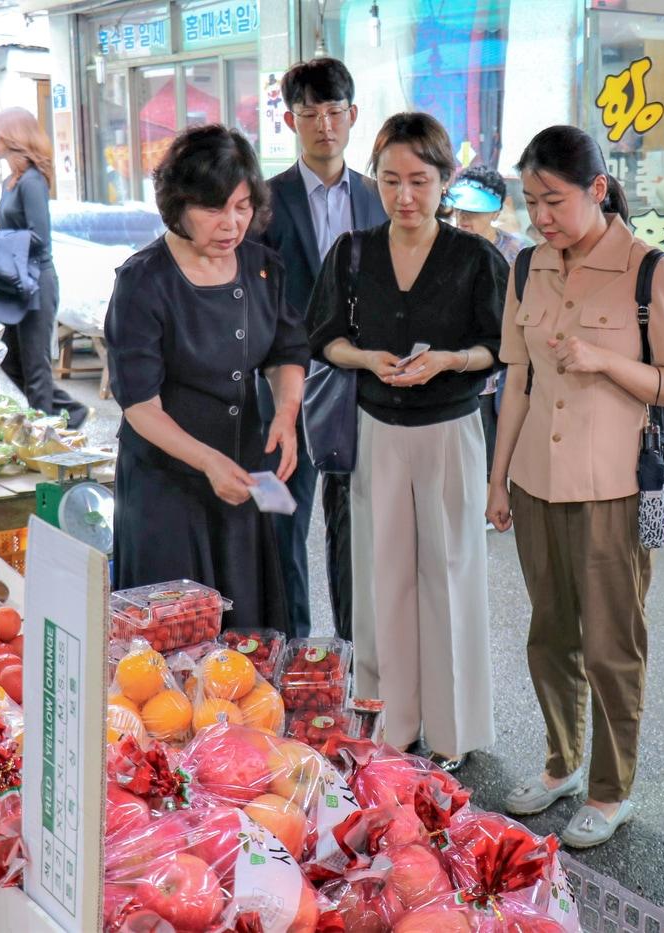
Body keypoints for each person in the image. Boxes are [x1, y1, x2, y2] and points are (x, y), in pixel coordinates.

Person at [487, 125, 664, 848]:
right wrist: (497, 479)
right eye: (530, 201)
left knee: (612, 643)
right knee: (549, 635)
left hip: (612, 487)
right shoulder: (526, 266)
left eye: (553, 200)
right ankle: (562, 761)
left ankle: (612, 788)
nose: (540, 216)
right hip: (537, 485)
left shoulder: (650, 270)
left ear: (598, 190)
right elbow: (515, 379)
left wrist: (604, 361)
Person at [308, 112, 503, 771]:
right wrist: (364, 359)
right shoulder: (354, 251)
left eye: (420, 181)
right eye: (390, 180)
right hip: (376, 429)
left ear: (445, 181)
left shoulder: (476, 255)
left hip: (451, 429)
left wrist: (449, 360)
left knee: (448, 573)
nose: (405, 196)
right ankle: (388, 722)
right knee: (381, 574)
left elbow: (498, 347)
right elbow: (324, 336)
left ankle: (451, 732)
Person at [105, 125, 307, 632]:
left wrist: (285, 413)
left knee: (243, 643)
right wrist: (207, 461)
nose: (231, 223)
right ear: (178, 204)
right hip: (166, 489)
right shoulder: (144, 281)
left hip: (239, 479)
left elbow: (286, 350)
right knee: (172, 648)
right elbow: (139, 405)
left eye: (242, 206)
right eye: (214, 208)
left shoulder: (263, 267)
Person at [254, 58, 387, 640]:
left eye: (335, 112)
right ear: (290, 120)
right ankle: (295, 652)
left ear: (353, 115)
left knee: (356, 521)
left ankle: (356, 651)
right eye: (309, 113)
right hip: (293, 383)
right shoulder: (265, 201)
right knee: (286, 520)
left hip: (365, 383)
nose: (324, 125)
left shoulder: (380, 196)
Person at [0, 107, 87, 430]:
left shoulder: (32, 182)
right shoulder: (9, 182)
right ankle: (69, 411)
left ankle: (45, 434)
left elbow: (39, 237)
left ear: (13, 138)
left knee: (35, 365)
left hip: (36, 279)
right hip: (14, 279)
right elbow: (7, 238)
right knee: (9, 358)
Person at [446, 165, 532, 479]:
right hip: (455, 373)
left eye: (475, 211)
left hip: (505, 376)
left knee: (494, 460)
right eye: (460, 208)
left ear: (495, 210)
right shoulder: (441, 247)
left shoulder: (519, 252)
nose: (464, 217)